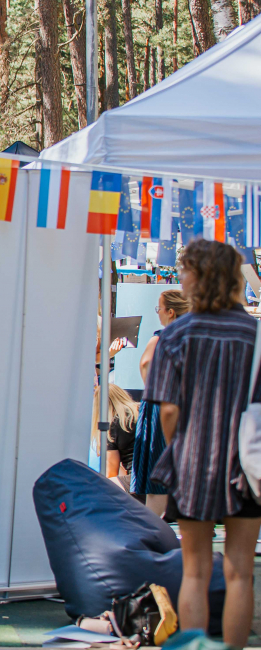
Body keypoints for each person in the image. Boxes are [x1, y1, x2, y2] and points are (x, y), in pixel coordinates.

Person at [144, 239, 261, 647]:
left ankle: (194, 645)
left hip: (194, 458)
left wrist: (179, 447)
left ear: (198, 277)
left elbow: (168, 411)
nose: (180, 277)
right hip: (247, 465)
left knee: (194, 569)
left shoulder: (175, 335)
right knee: (240, 569)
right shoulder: (256, 335)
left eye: (184, 270)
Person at [133, 289, 190, 516]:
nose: (158, 314)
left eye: (159, 309)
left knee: (156, 466)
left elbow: (146, 363)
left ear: (171, 312)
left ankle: (153, 525)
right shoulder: (193, 335)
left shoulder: (162, 336)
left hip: (160, 406)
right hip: (186, 405)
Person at [90, 382, 138, 492]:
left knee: (101, 488)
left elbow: (111, 473)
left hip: (137, 482)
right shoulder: (140, 411)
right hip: (163, 476)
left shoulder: (111, 425)